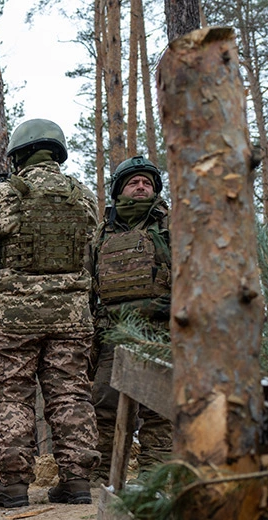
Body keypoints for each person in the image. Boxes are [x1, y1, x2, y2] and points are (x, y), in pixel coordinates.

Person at [0, 119, 100, 507]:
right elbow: (91, 237)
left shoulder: (4, 194)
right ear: (57, 154)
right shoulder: (83, 196)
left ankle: (15, 485)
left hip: (12, 318)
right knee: (71, 393)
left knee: (11, 395)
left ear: (18, 156)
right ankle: (76, 481)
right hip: (71, 315)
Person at [90, 156, 173, 482]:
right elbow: (89, 282)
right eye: (133, 182)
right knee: (104, 405)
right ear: (119, 191)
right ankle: (102, 474)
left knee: (160, 407)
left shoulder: (169, 226)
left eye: (147, 183)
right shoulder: (102, 233)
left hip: (160, 330)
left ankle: (155, 477)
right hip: (113, 332)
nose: (141, 187)